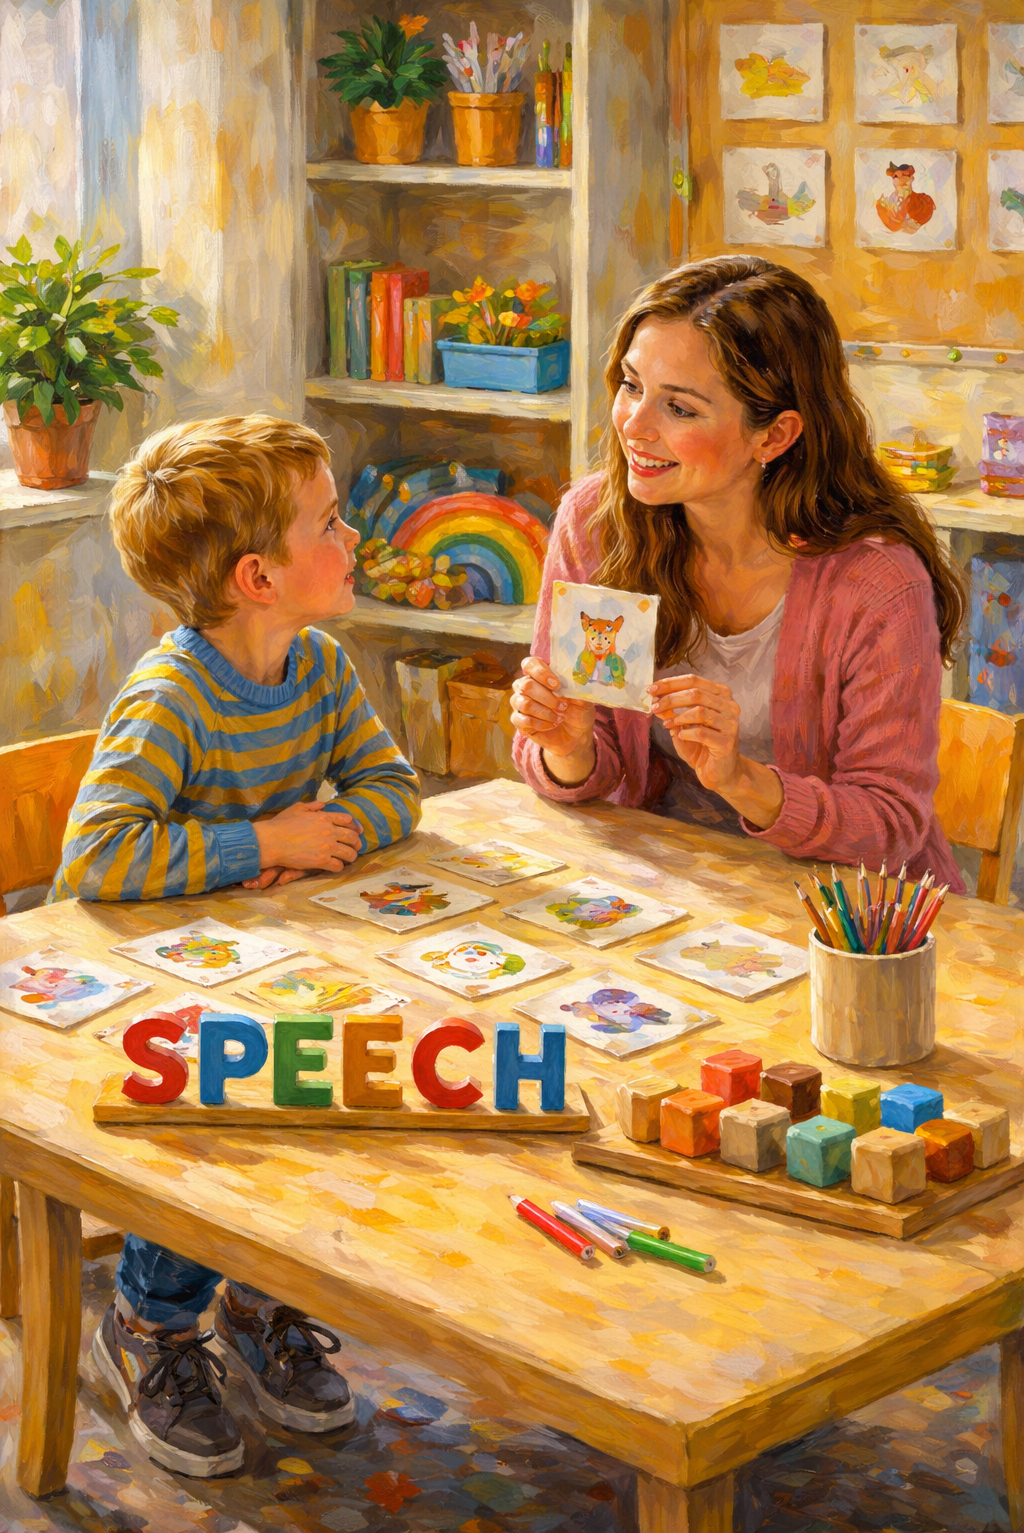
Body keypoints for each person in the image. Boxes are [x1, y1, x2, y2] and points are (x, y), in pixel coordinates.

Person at [50, 415, 421, 1477]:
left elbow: (393, 788)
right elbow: (97, 855)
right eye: (330, 523)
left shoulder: (320, 668)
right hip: (140, 994)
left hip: (265, 963)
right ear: (259, 577)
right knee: (219, 1103)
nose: (352, 538)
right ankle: (150, 1325)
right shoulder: (173, 696)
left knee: (332, 1070)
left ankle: (260, 1296)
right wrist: (261, 842)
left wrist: (324, 839)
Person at [511, 256, 966, 892]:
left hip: (843, 909)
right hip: (666, 886)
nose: (634, 425)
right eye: (632, 386)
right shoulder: (597, 522)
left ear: (774, 436)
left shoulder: (875, 581)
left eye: (680, 408)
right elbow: (589, 771)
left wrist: (740, 779)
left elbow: (890, 824)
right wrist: (567, 747)